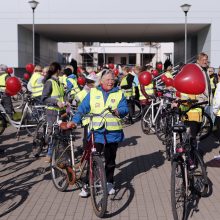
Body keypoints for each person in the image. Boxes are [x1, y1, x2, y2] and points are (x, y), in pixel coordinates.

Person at [67, 69, 128, 197]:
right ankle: (87, 185)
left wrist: (119, 111)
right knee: (92, 159)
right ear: (101, 81)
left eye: (112, 80)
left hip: (113, 133)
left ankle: (109, 182)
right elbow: (82, 108)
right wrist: (74, 121)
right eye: (108, 80)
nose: (111, 82)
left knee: (110, 160)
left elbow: (125, 108)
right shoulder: (93, 92)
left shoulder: (119, 93)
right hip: (97, 131)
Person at [41, 62, 66, 162]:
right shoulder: (50, 82)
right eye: (61, 70)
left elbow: (61, 96)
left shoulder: (58, 82)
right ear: (58, 70)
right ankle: (49, 154)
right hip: (52, 112)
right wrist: (56, 102)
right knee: (54, 133)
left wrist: (66, 101)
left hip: (60, 112)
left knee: (61, 133)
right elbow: (44, 98)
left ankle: (60, 152)